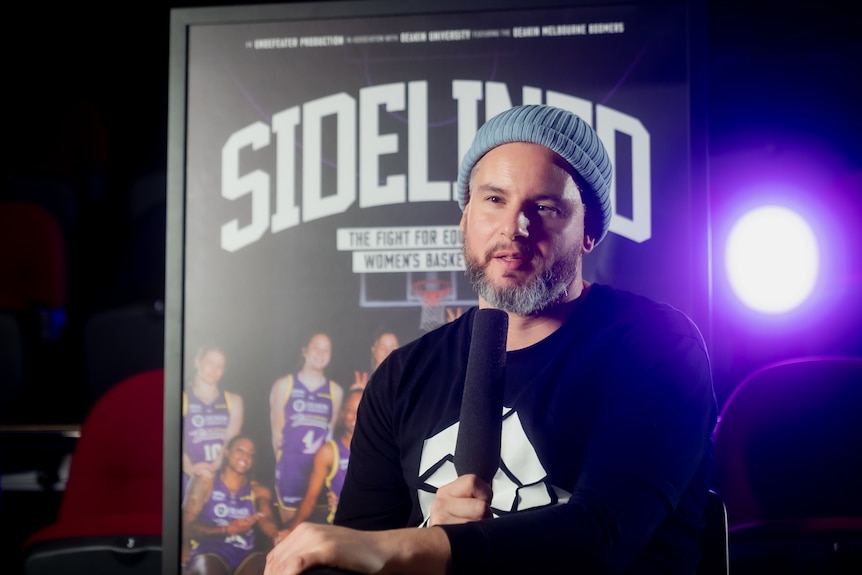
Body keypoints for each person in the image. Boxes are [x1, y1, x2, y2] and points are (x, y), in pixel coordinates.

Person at [265, 105, 717, 575]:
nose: (514, 228)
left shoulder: (658, 346)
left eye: (544, 207)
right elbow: (352, 556)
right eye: (494, 200)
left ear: (589, 232)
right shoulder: (402, 377)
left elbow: (601, 535)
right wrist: (425, 532)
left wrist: (424, 548)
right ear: (465, 218)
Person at [270, 332, 344, 526]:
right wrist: (285, 467)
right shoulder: (284, 385)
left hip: (318, 470)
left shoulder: (335, 391)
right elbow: (277, 435)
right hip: (291, 468)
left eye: (326, 349)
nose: (320, 352)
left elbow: (331, 433)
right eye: (315, 346)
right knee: (290, 529)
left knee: (316, 533)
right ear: (304, 350)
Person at [183, 435, 279, 575]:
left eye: (250, 454)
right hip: (208, 550)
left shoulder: (258, 490)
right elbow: (185, 526)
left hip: (244, 554)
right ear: (227, 452)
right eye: (240, 450)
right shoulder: (206, 480)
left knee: (265, 566)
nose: (245, 457)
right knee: (209, 568)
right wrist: (226, 529)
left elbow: (266, 518)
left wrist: (277, 535)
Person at [280, 387, 364, 535]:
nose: (355, 416)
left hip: (373, 531)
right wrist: (291, 532)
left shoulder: (380, 449)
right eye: (350, 410)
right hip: (342, 531)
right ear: (342, 413)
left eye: (362, 409)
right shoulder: (329, 452)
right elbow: (310, 500)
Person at [183, 345, 244, 495]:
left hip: (218, 475)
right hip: (187, 474)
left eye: (219, 366)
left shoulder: (234, 401)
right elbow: (171, 440)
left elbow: (230, 442)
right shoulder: (182, 398)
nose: (214, 370)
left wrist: (214, 468)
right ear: (198, 362)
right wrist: (190, 469)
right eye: (209, 363)